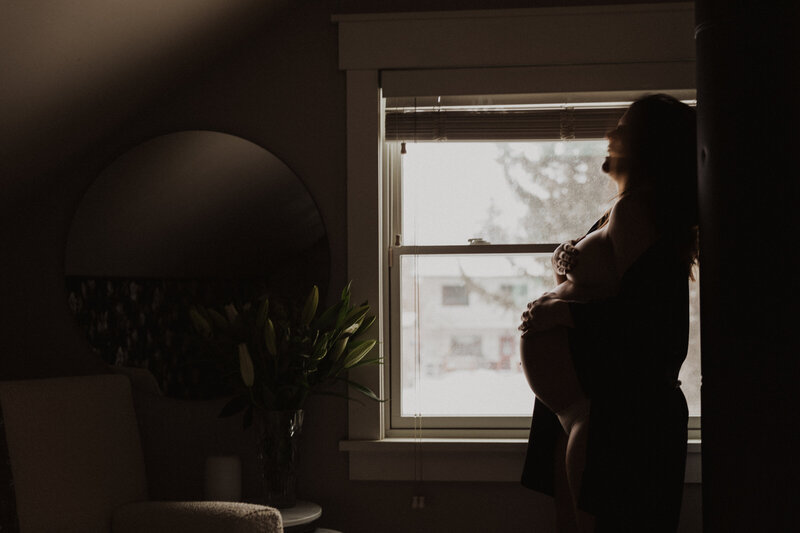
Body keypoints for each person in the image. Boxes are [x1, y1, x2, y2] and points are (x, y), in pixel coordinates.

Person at [518, 94, 698, 533]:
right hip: (588, 411)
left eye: (623, 127)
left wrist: (562, 316)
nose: (609, 134)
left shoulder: (638, 211)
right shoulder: (626, 210)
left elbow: (654, 323)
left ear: (649, 146)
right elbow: (605, 288)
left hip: (614, 418)